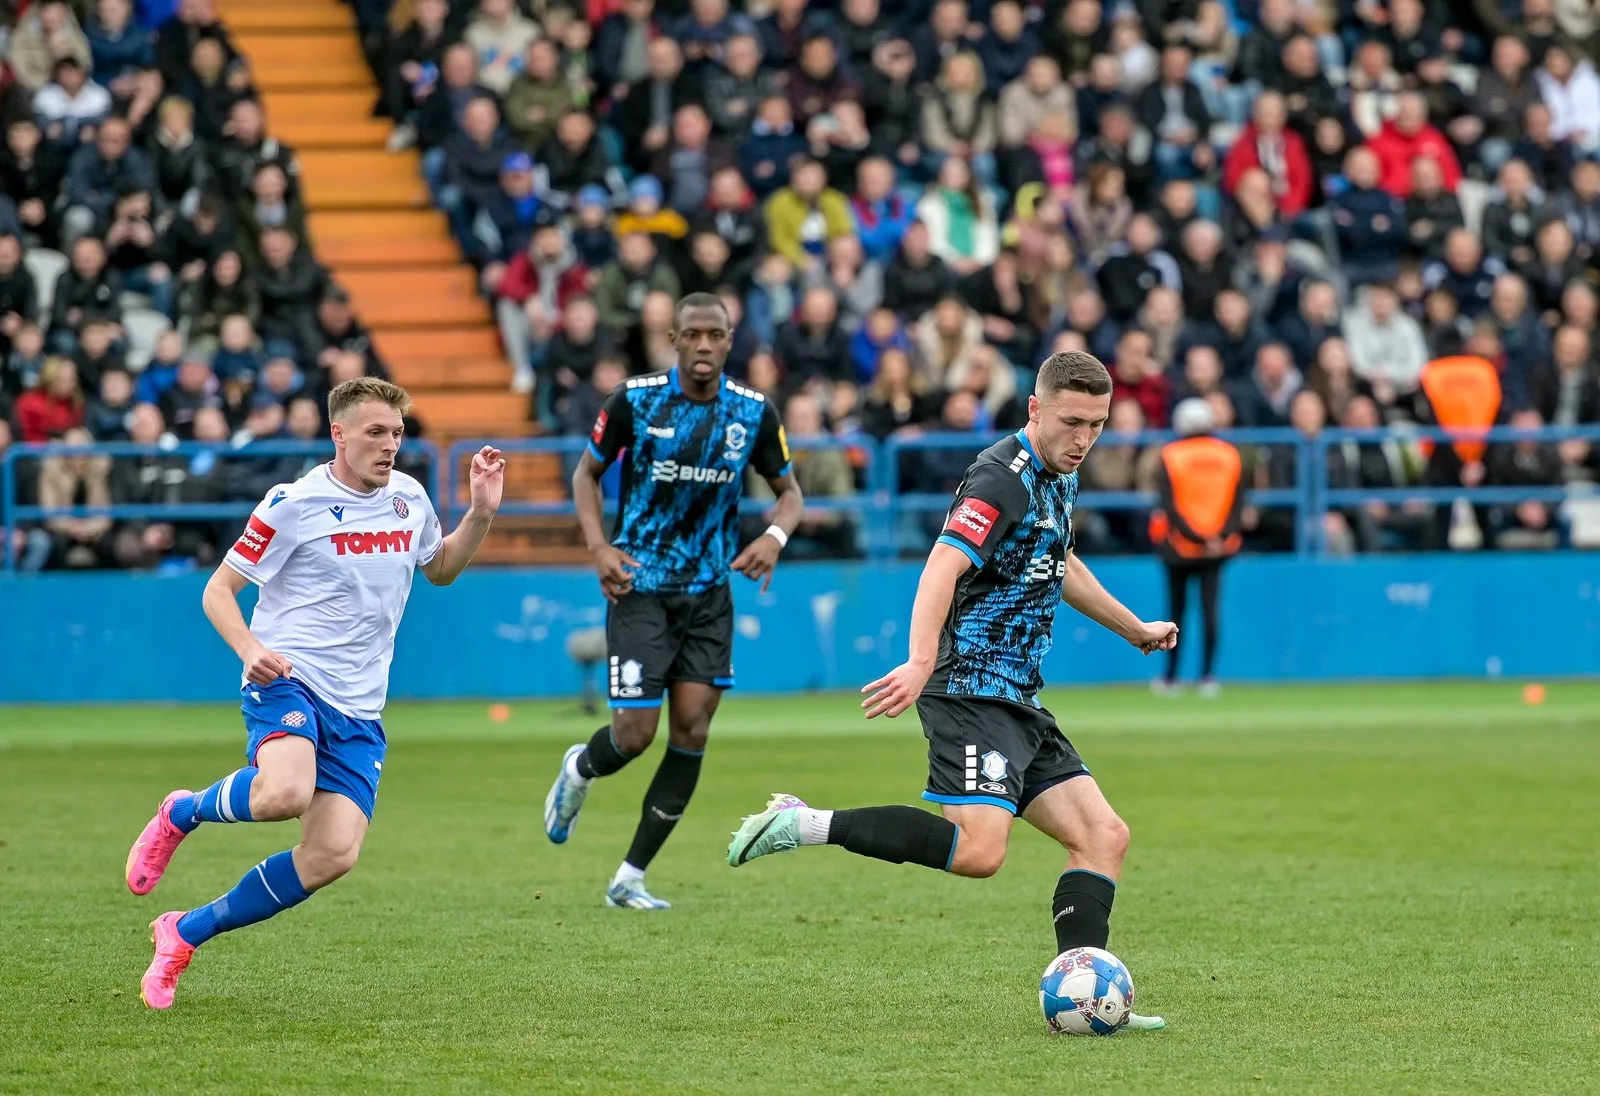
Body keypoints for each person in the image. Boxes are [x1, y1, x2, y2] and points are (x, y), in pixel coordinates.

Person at [723, 350, 1174, 1032]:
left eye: (1098, 425)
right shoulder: (1001, 478)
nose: (1084, 439)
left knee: (1104, 837)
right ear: (1035, 408)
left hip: (1016, 693)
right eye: (1072, 421)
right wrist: (917, 660)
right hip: (968, 689)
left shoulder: (1058, 475)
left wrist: (1132, 628)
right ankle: (804, 822)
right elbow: (942, 564)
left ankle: (1089, 996)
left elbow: (1058, 558)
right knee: (980, 852)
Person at [125, 377, 506, 1009]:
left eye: (398, 433)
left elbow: (439, 569)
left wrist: (482, 514)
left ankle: (183, 931)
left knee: (332, 854)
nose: (391, 445)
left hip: (360, 707)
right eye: (376, 432)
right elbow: (217, 592)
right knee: (284, 792)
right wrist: (251, 650)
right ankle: (182, 812)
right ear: (340, 434)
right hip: (288, 678)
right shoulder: (292, 503)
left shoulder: (408, 497)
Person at [542, 293, 804, 910]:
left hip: (709, 595)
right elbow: (585, 474)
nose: (705, 345)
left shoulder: (753, 412)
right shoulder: (635, 401)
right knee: (634, 735)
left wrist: (773, 536)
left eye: (717, 335)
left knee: (691, 729)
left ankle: (630, 877)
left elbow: (789, 491)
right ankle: (580, 769)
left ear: (730, 340)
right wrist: (598, 547)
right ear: (674, 338)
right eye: (694, 335)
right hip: (639, 587)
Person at [1147, 398, 1243, 696]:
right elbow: (1238, 504)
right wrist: (1218, 537)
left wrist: (1196, 538)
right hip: (1219, 546)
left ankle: (1172, 678)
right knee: (1210, 610)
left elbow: (1169, 507)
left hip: (1179, 547)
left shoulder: (1170, 455)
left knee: (1175, 613)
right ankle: (1208, 677)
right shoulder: (1229, 455)